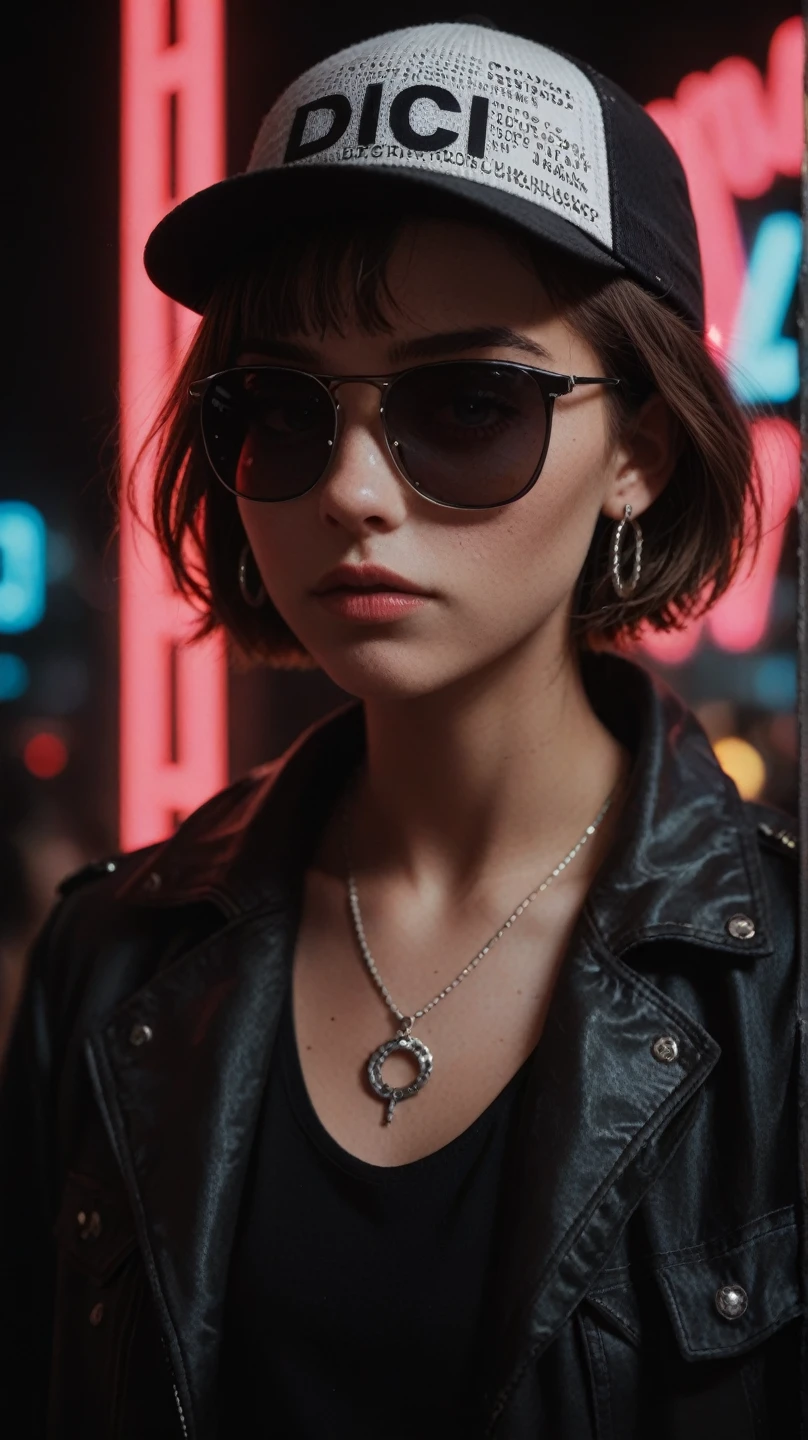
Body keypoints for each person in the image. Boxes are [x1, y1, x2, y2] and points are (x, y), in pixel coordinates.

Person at [0, 18, 802, 1440]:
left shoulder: (787, 996)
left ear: (641, 450)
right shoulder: (108, 964)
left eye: (468, 404)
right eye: (282, 413)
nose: (355, 492)